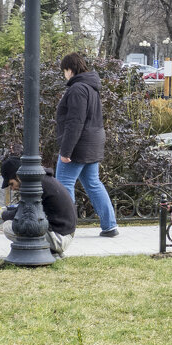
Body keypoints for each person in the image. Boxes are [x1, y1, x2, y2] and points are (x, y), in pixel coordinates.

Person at [54, 53, 119, 237]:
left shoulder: (77, 89)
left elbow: (75, 122)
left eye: (64, 71)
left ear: (70, 69)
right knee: (93, 184)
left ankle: (66, 229)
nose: (64, 75)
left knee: (64, 185)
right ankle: (110, 226)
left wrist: (66, 151)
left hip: (78, 146)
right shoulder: (92, 87)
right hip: (93, 142)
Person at [0, 156, 77, 258]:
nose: (12, 188)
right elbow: (22, 208)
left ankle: (43, 252)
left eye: (12, 183)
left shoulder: (35, 186)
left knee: (8, 227)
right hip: (63, 235)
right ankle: (52, 252)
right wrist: (5, 210)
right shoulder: (42, 180)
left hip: (59, 239)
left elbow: (21, 214)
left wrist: (0, 214)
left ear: (18, 176)